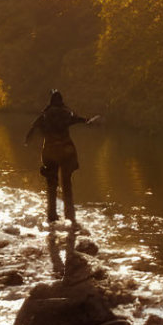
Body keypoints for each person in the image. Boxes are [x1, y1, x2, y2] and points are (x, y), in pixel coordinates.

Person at [24, 89, 98, 227]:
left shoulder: (45, 115)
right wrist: (88, 120)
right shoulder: (66, 113)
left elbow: (31, 133)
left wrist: (28, 143)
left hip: (50, 153)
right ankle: (70, 216)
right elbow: (80, 119)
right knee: (67, 184)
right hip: (66, 152)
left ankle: (52, 217)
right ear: (61, 101)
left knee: (52, 185)